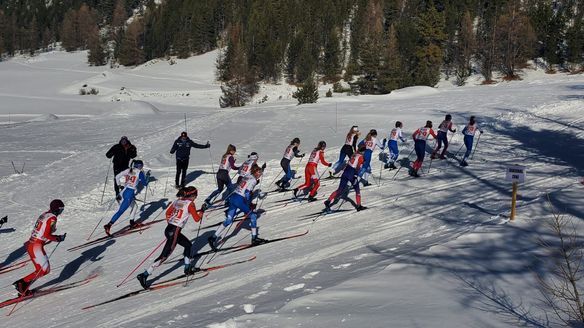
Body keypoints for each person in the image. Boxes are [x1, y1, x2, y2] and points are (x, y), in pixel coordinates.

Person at [136, 186, 204, 289]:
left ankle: (187, 268)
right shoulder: (191, 204)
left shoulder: (177, 201)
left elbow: (167, 213)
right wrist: (202, 210)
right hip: (174, 232)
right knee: (164, 256)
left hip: (169, 229)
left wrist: (172, 223)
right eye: (195, 196)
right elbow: (197, 219)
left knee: (188, 245)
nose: (195, 198)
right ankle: (144, 275)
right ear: (192, 195)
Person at [13, 200, 66, 296]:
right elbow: (46, 235)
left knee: (41, 269)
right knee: (44, 270)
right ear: (56, 209)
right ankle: (21, 283)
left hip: (32, 244)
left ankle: (23, 285)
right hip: (36, 246)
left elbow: (42, 230)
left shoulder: (46, 214)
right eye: (61, 210)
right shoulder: (53, 218)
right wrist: (57, 238)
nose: (61, 212)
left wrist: (53, 235)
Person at [208, 164, 267, 250]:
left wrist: (262, 168)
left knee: (229, 220)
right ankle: (254, 238)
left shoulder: (248, 175)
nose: (260, 174)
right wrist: (248, 205)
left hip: (233, 197)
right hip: (239, 200)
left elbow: (254, 174)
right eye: (259, 172)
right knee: (253, 216)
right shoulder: (253, 180)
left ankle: (213, 238)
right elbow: (247, 193)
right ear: (256, 172)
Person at [104, 160, 150, 235]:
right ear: (139, 166)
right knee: (121, 211)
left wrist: (119, 185)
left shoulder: (129, 170)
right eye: (141, 166)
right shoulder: (139, 173)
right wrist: (147, 177)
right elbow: (145, 183)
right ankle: (109, 225)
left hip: (124, 191)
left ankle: (132, 222)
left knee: (135, 206)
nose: (142, 167)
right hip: (129, 193)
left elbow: (117, 177)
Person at [324, 145, 367, 213]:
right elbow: (358, 167)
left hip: (346, 172)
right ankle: (359, 206)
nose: (365, 153)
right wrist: (356, 175)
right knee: (357, 189)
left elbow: (349, 163)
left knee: (339, 190)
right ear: (363, 151)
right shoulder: (361, 157)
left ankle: (328, 201)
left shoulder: (354, 154)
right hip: (352, 173)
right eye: (364, 151)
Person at [106, 136, 137, 201]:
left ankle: (125, 191)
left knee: (127, 178)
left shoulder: (130, 147)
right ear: (120, 141)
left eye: (125, 141)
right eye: (122, 141)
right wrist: (112, 153)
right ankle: (117, 193)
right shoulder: (116, 147)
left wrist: (133, 149)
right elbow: (108, 155)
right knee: (117, 178)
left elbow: (133, 156)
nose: (123, 142)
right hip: (117, 165)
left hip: (125, 166)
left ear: (127, 141)